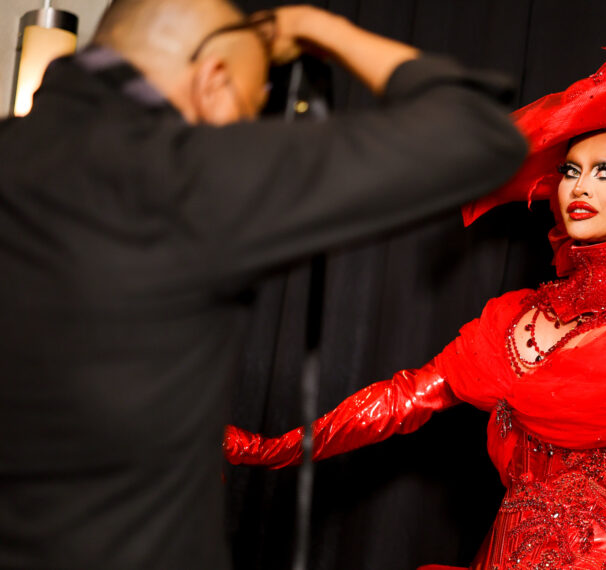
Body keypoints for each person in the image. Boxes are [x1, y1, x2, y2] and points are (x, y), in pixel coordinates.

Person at [223, 31, 606, 569]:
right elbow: (401, 401)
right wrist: (274, 449)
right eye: (570, 171)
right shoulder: (515, 317)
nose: (579, 188)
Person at [0, 0, 529, 567]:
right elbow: (478, 133)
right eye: (252, 107)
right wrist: (321, 29)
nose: (245, 128)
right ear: (214, 79)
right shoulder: (185, 174)